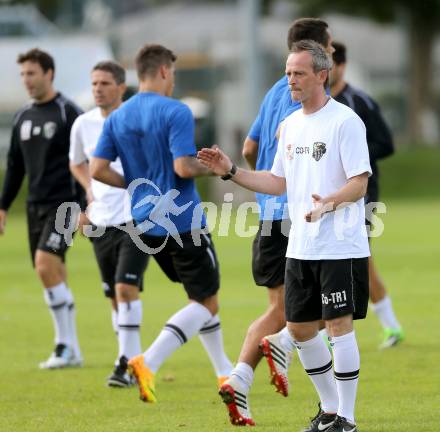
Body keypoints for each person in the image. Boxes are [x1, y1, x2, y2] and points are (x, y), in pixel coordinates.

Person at [199, 40, 371, 432]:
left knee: (339, 325)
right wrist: (230, 171)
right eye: (288, 72)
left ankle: (347, 416)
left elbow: (360, 183)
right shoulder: (289, 125)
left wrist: (329, 203)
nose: (290, 80)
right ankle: (329, 411)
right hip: (301, 245)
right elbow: (276, 182)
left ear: (321, 75)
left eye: (299, 73)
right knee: (298, 328)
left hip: (340, 245)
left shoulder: (345, 122)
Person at [90, 44, 233, 402]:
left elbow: (97, 169)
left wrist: (135, 185)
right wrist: (214, 167)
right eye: (174, 74)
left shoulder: (117, 117)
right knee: (206, 302)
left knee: (200, 297)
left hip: (142, 222)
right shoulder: (176, 110)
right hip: (182, 219)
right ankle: (147, 361)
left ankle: (223, 371)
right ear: (166, 71)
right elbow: (183, 167)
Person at [217, 18, 334, 426]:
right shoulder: (313, 94)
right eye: (331, 47)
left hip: (269, 215)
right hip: (299, 215)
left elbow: (250, 146)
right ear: (323, 51)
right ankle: (285, 349)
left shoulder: (274, 90)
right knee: (328, 306)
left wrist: (266, 185)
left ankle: (239, 377)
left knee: (280, 308)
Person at [0, 48, 83, 369]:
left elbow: (84, 161)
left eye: (32, 73)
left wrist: (85, 205)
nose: (26, 80)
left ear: (49, 73)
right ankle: (72, 349)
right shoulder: (23, 116)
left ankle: (63, 346)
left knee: (44, 265)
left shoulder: (68, 113)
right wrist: (4, 206)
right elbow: (15, 165)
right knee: (54, 272)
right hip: (35, 206)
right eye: (23, 74)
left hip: (64, 205)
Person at [69, 61, 149, 387]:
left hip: (135, 219)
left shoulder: (136, 120)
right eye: (94, 84)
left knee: (125, 288)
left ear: (121, 88)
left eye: (104, 83)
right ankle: (129, 358)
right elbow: (76, 163)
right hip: (100, 221)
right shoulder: (82, 125)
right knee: (114, 296)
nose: (98, 89)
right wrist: (88, 192)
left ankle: (126, 365)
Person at [330, 41, 404, 349]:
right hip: (327, 192)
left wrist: (351, 154)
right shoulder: (315, 105)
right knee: (343, 257)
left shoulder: (358, 101)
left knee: (355, 257)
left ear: (342, 66)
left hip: (362, 191)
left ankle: (385, 326)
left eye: (329, 63)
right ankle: (385, 326)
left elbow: (386, 143)